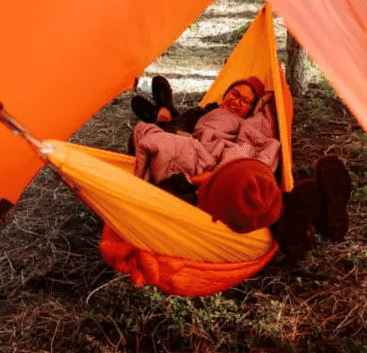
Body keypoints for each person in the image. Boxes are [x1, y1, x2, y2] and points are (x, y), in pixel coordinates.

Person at [129, 75, 352, 264]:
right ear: (224, 95)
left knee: (244, 167)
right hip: (199, 162)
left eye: (245, 101)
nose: (237, 102)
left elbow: (262, 146)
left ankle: (318, 218)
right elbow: (175, 134)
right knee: (152, 138)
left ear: (250, 110)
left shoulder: (248, 124)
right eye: (234, 94)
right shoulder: (204, 112)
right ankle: (306, 216)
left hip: (224, 168)